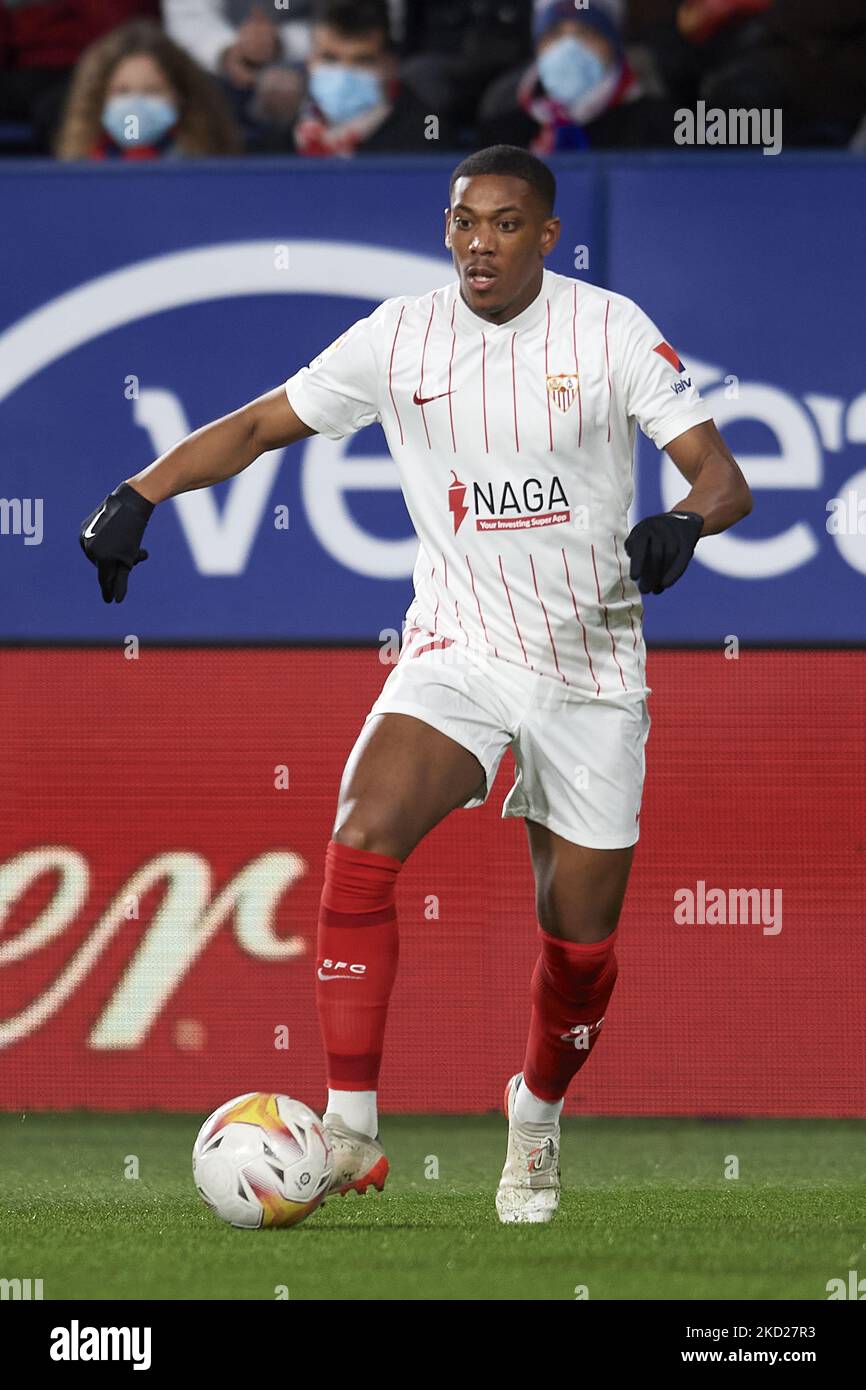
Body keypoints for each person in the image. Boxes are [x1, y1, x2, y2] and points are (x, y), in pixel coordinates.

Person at [79, 144, 752, 1223]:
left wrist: (683, 520)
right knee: (362, 830)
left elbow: (723, 477)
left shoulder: (609, 328)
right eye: (461, 221)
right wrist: (139, 491)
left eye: (502, 223)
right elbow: (257, 425)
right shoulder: (397, 338)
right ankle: (351, 1129)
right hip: (457, 648)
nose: (477, 242)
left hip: (589, 669)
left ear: (545, 235)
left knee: (578, 949)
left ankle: (532, 1116)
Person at [479, 0, 681, 151]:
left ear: (613, 45)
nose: (569, 46)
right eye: (555, 34)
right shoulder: (503, 129)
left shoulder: (658, 128)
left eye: (586, 33)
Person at [55, 19, 242, 160]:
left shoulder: (207, 171)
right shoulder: (78, 172)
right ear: (99, 98)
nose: (135, 105)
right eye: (123, 91)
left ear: (180, 95)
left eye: (152, 91)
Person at [287, 0, 445, 157]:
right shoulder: (282, 127)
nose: (344, 75)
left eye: (362, 61)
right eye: (330, 59)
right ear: (309, 59)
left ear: (389, 65)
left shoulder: (424, 139)